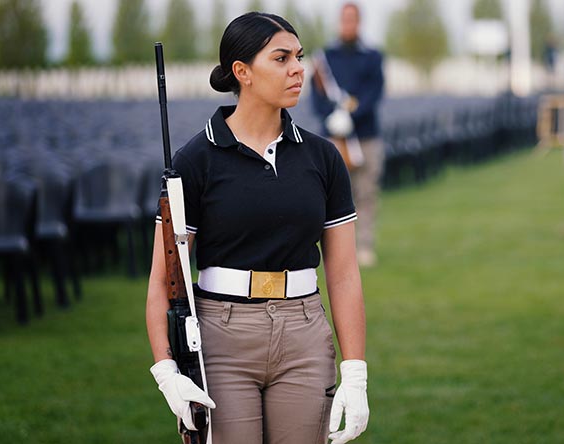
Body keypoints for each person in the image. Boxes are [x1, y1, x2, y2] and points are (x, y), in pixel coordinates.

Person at [145, 12, 369, 444]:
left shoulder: (323, 158)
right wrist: (166, 371)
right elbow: (164, 279)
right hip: (221, 336)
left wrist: (355, 372)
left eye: (299, 57)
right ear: (242, 72)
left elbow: (343, 273)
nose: (298, 69)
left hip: (304, 331)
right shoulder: (196, 161)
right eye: (281, 58)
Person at [311, 2, 385, 267]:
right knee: (336, 197)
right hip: (333, 140)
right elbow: (317, 94)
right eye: (344, 19)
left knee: (366, 192)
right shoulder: (325, 57)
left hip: (365, 136)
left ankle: (364, 246)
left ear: (359, 22)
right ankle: (336, 252)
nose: (348, 24)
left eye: (353, 19)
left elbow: (374, 93)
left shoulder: (373, 56)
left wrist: (351, 115)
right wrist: (333, 117)